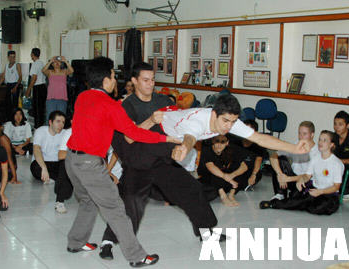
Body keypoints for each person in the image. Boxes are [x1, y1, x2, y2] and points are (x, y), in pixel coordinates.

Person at [99, 63, 309, 261]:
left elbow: (259, 138)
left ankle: (207, 233)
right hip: (134, 148)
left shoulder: (224, 120)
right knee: (133, 196)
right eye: (225, 121)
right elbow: (189, 136)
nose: (228, 127)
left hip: (162, 147)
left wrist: (293, 148)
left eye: (233, 122)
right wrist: (183, 147)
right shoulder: (191, 118)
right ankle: (108, 240)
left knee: (191, 188)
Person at [66, 57, 180, 267]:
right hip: (89, 164)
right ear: (106, 79)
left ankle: (76, 242)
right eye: (113, 76)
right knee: (115, 208)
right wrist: (166, 138)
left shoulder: (82, 96)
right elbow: (135, 133)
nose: (115, 81)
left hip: (71, 160)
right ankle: (136, 256)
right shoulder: (110, 105)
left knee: (88, 201)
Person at [260, 131, 343, 215]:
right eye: (320, 139)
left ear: (332, 145)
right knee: (300, 198)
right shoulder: (315, 158)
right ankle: (274, 204)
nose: (320, 142)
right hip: (314, 190)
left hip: (328, 194)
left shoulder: (337, 163)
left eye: (324, 140)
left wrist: (320, 192)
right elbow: (307, 175)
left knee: (316, 208)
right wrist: (301, 180)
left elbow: (336, 187)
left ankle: (299, 203)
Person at [30, 111, 73, 213]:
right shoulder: (41, 131)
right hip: (41, 163)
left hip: (57, 163)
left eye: (63, 122)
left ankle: (54, 180)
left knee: (65, 166)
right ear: (50, 122)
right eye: (58, 121)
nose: (61, 125)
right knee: (36, 168)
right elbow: (36, 150)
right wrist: (44, 168)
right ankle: (51, 177)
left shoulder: (65, 133)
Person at [268, 121, 319, 200]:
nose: (301, 137)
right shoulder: (296, 144)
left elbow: (308, 176)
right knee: (281, 158)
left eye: (304, 134)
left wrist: (287, 179)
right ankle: (280, 194)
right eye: (299, 133)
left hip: (305, 182)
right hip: (292, 178)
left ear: (312, 135)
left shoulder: (317, 152)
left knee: (295, 198)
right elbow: (273, 155)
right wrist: (280, 174)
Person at [198, 135, 249, 207]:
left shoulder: (231, 149)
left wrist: (232, 175)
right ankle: (223, 196)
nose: (219, 145)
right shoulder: (207, 150)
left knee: (238, 169)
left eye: (222, 142)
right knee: (216, 172)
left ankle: (231, 195)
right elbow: (211, 167)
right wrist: (228, 178)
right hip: (208, 178)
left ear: (227, 143)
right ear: (213, 141)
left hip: (225, 179)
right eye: (217, 141)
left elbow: (244, 167)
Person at [233, 119, 267, 190]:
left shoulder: (258, 145)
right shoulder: (235, 142)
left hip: (251, 171)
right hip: (237, 170)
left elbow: (258, 160)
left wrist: (253, 175)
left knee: (257, 175)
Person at [0, 117, 19, 184]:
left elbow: (9, 158)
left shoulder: (3, 139)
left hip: (7, 169)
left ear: (1, 128)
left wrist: (14, 177)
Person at [42, 56, 73, 121]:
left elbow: (72, 70)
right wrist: (50, 61)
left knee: (61, 119)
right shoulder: (50, 72)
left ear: (61, 63)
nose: (57, 63)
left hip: (62, 99)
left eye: (58, 62)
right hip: (51, 100)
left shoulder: (64, 72)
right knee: (50, 118)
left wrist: (65, 61)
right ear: (52, 64)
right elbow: (43, 70)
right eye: (55, 62)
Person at [0, 50, 22, 121]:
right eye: (11, 57)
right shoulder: (6, 66)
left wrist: (16, 87)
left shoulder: (17, 65)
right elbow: (3, 77)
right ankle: (9, 119)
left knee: (14, 104)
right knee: (8, 104)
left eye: (14, 57)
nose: (12, 58)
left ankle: (15, 119)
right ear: (8, 57)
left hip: (15, 85)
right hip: (8, 85)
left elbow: (20, 77)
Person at [25, 48, 47, 128]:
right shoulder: (42, 63)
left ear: (32, 54)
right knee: (41, 108)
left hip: (37, 88)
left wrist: (28, 90)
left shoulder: (35, 64)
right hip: (43, 87)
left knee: (37, 109)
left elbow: (34, 78)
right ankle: (41, 125)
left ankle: (38, 127)